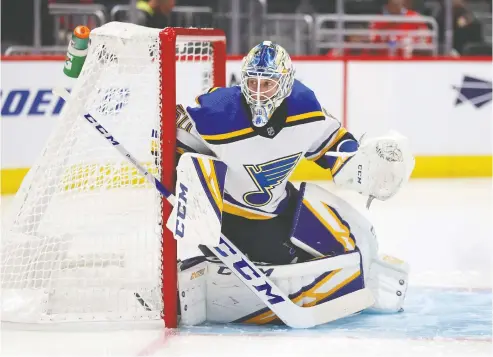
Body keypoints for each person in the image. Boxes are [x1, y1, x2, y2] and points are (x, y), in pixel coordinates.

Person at [171, 42, 414, 325]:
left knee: (355, 242)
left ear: (285, 83)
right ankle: (217, 290)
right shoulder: (217, 114)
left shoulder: (304, 106)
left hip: (283, 201)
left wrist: (357, 164)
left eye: (268, 84)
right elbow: (175, 145)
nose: (259, 93)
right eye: (252, 82)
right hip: (235, 220)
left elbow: (332, 142)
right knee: (295, 269)